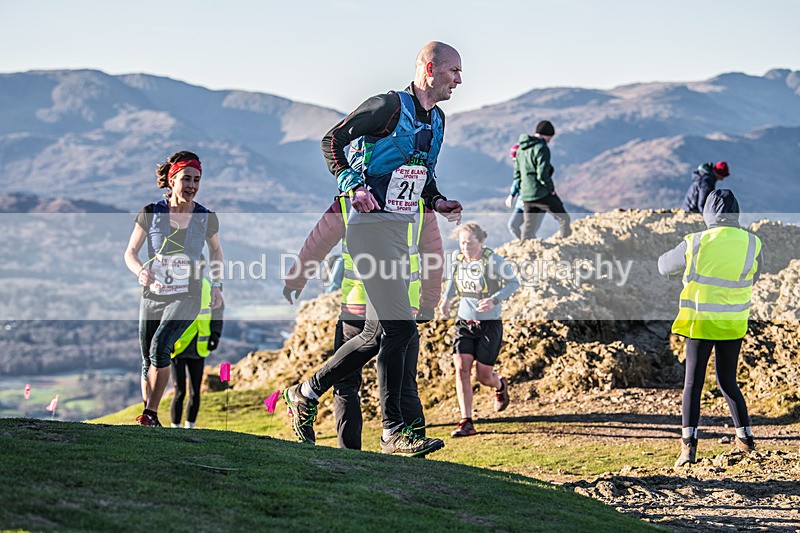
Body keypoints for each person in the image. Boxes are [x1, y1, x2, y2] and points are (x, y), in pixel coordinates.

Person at [283, 41, 463, 457]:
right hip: (368, 229)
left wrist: (437, 201)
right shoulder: (387, 105)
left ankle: (305, 394)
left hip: (398, 233)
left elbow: (422, 174)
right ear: (430, 69)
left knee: (375, 334)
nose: (459, 81)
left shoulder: (437, 120)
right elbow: (332, 141)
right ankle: (393, 432)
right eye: (454, 71)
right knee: (400, 329)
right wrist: (353, 185)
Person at [283, 195, 444, 449]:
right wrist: (429, 301)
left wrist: (297, 278)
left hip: (360, 304)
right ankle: (404, 451)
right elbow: (433, 255)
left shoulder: (348, 203)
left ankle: (351, 455)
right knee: (402, 382)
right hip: (393, 304)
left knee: (347, 385)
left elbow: (319, 241)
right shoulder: (419, 204)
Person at [658, 189, 762, 467]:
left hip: (700, 322)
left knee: (693, 383)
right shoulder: (752, 242)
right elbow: (756, 272)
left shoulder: (695, 241)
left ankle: (688, 449)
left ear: (707, 214)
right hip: (733, 323)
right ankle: (745, 440)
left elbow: (664, 267)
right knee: (728, 382)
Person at [124, 150, 224, 427]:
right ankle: (148, 413)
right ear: (172, 180)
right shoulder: (150, 213)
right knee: (147, 358)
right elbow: (130, 252)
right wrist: (140, 270)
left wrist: (216, 286)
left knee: (161, 347)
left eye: (197, 180)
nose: (192, 185)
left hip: (188, 295)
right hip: (153, 294)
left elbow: (216, 253)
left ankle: (152, 413)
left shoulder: (206, 217)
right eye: (186, 179)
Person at [439, 222, 520, 437]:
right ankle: (466, 421)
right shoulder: (458, 259)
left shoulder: (493, 260)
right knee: (461, 367)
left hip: (489, 324)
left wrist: (494, 300)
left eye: (470, 242)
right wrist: (446, 299)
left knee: (483, 376)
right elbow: (452, 282)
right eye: (462, 242)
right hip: (464, 322)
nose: (466, 247)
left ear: (481, 241)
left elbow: (513, 283)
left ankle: (500, 385)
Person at [169, 274, 224, 429]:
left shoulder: (208, 285)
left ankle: (189, 426)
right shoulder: (177, 285)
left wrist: (215, 334)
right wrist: (167, 340)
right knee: (179, 391)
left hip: (200, 347)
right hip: (178, 347)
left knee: (195, 391)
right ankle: (175, 427)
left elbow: (218, 310)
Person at [513, 120, 571, 239]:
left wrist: (523, 191)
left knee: (529, 228)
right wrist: (551, 190)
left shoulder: (521, 149)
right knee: (564, 218)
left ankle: (526, 251)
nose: (550, 140)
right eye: (550, 137)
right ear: (547, 134)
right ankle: (566, 244)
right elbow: (542, 174)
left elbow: (517, 174)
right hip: (540, 193)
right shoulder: (541, 148)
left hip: (526, 195)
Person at [505, 143, 543, 240]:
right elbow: (517, 182)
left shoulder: (535, 170)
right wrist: (512, 195)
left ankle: (532, 247)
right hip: (521, 205)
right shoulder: (520, 170)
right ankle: (522, 244)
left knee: (531, 231)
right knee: (513, 225)